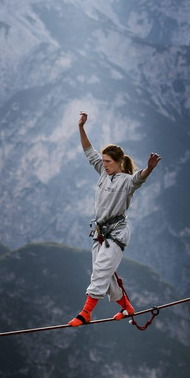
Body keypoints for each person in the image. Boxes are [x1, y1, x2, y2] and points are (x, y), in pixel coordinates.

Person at [69, 111, 161, 327]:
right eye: (104, 161)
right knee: (107, 277)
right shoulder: (103, 171)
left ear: (119, 162)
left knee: (101, 271)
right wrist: (81, 127)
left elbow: (140, 178)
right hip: (101, 233)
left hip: (117, 233)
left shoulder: (126, 181)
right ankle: (127, 308)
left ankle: (86, 313)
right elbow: (88, 150)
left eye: (108, 161)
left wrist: (150, 168)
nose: (105, 164)